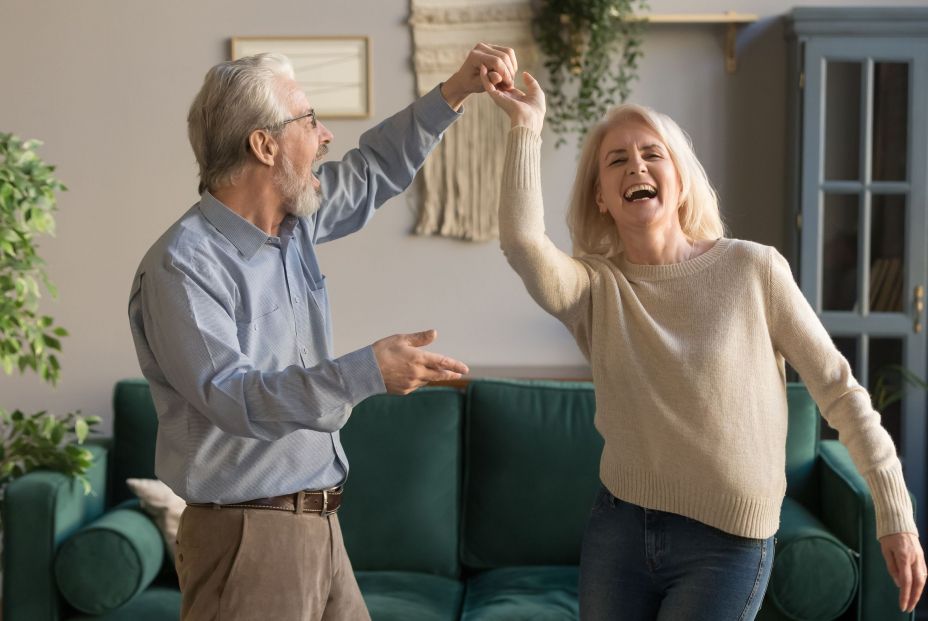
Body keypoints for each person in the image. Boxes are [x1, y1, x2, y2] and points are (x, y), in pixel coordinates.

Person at [481, 67, 926, 619]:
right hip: (619, 529)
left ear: (681, 180)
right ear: (601, 198)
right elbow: (523, 243)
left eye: (651, 153)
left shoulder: (752, 269)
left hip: (729, 542)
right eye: (616, 160)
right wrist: (526, 128)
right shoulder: (594, 288)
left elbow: (838, 389)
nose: (636, 166)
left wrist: (895, 512)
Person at [127, 43, 519, 621]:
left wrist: (455, 91)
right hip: (248, 538)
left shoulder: (294, 228)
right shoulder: (183, 266)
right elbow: (233, 397)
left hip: (319, 526)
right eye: (309, 121)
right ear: (264, 145)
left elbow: (374, 169)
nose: (326, 136)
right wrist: (366, 372)